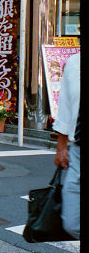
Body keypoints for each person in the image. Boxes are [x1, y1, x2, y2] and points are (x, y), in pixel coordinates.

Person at [52, 52, 80, 239]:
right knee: (71, 222)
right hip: (78, 151)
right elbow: (65, 107)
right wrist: (61, 146)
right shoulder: (74, 62)